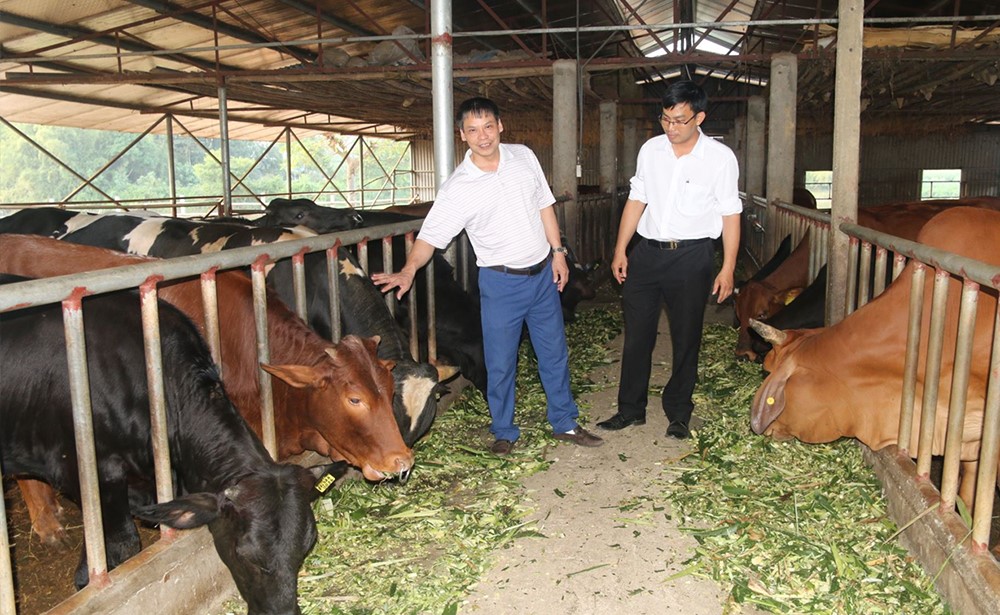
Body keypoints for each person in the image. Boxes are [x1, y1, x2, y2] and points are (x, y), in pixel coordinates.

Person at [372, 96, 603, 455]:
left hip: (543, 274)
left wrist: (559, 254)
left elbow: (544, 205)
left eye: (489, 126)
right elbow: (430, 237)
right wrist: (408, 270)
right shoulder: (458, 187)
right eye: (473, 129)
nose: (483, 136)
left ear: (500, 126)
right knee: (500, 361)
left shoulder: (524, 157)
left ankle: (565, 422)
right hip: (501, 283)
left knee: (554, 353)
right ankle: (504, 431)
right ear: (462, 134)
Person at [597, 80, 741, 440]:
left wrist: (728, 267)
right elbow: (637, 199)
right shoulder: (651, 150)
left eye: (679, 120)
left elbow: (730, 214)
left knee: (686, 335)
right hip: (647, 254)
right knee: (637, 335)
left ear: (700, 118)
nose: (671, 128)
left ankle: (679, 413)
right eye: (665, 119)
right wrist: (620, 249)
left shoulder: (720, 159)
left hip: (693, 257)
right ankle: (630, 410)